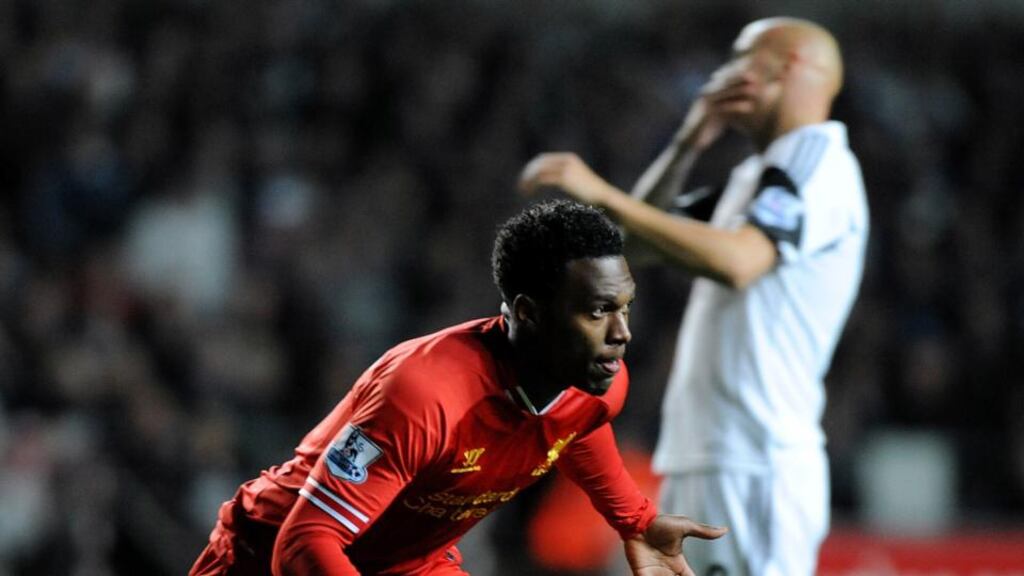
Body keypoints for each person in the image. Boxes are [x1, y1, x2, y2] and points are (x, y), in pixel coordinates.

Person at [189, 199, 726, 576]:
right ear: (527, 313)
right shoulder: (424, 393)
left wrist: (633, 519)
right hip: (267, 556)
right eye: (597, 311)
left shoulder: (597, 379)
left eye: (624, 307)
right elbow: (304, 542)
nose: (622, 333)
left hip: (407, 565)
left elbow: (579, 425)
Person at [519, 17, 868, 576]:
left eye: (743, 57)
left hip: (757, 459)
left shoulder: (816, 159)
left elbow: (740, 261)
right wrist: (688, 141)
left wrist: (602, 191)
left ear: (792, 67)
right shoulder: (753, 178)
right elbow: (628, 244)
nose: (726, 73)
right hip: (708, 453)